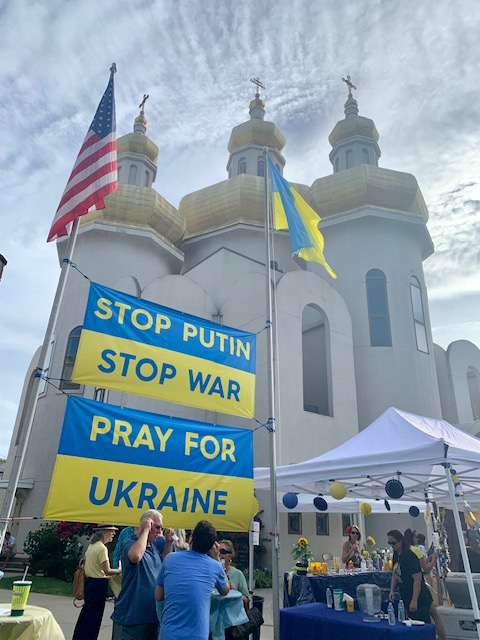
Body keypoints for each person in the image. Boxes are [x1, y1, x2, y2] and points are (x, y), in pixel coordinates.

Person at [155, 519, 229, 640]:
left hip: (169, 633)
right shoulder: (215, 566)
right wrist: (216, 558)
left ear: (190, 540)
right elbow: (225, 590)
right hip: (197, 635)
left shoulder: (170, 559)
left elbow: (158, 596)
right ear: (212, 547)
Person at [111, 509, 166, 640]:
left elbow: (165, 563)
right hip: (131, 620)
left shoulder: (153, 550)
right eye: (157, 527)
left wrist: (168, 542)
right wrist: (145, 530)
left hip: (151, 619)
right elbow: (135, 556)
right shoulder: (130, 545)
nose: (160, 532)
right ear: (147, 525)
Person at [388, 529, 446, 640]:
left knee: (426, 621)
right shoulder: (397, 555)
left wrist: (414, 600)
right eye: (389, 543)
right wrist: (392, 589)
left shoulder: (411, 554)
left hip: (419, 594)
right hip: (407, 593)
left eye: (393, 543)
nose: (392, 546)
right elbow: (395, 573)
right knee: (433, 616)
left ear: (401, 541)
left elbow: (418, 577)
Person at [72, 525, 121, 640]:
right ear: (104, 532)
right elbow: (107, 571)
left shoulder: (92, 546)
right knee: (94, 618)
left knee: (86, 615)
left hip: (90, 584)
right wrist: (120, 570)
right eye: (111, 532)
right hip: (98, 585)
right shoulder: (102, 548)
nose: (113, 534)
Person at [218, 539, 249, 609]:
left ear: (230, 555)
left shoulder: (237, 574)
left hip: (233, 615)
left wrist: (236, 593)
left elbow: (247, 600)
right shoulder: (211, 572)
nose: (219, 554)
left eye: (223, 551)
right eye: (217, 551)